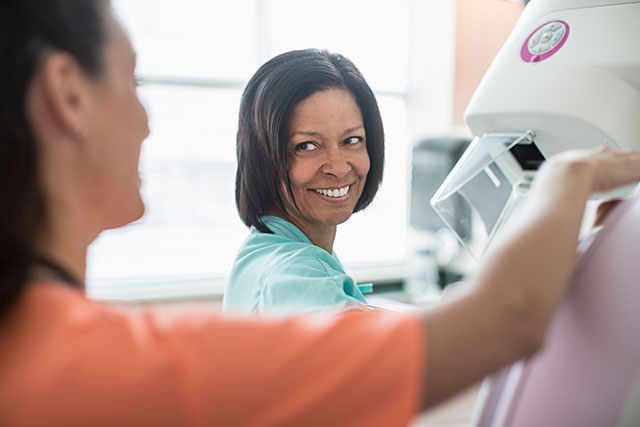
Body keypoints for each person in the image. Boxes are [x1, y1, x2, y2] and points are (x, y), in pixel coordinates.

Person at [2, 0, 640, 425]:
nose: (147, 120)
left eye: (353, 140)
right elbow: (505, 320)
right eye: (134, 81)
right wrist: (570, 175)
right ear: (67, 93)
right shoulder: (106, 356)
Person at [224, 49, 384, 315]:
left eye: (351, 140)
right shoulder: (294, 273)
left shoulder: (261, 252)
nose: (338, 167)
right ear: (263, 157)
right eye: (307, 146)